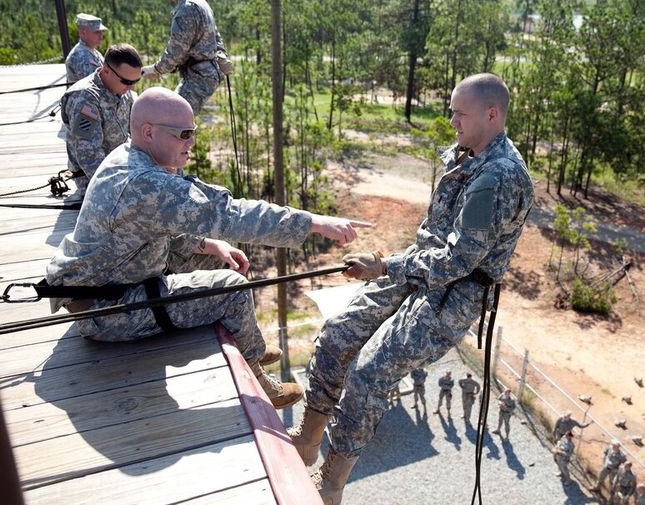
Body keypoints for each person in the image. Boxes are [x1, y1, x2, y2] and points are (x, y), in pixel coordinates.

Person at [288, 73, 534, 505]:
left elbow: (458, 260)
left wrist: (385, 265)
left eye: (460, 113)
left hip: (453, 294)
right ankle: (306, 442)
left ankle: (329, 486)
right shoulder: (466, 155)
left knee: (368, 374)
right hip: (419, 270)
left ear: (491, 114)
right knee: (339, 333)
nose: (451, 120)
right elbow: (433, 239)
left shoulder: (500, 177)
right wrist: (390, 266)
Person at [46, 87, 369, 411]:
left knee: (222, 262)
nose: (191, 142)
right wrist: (315, 223)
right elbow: (232, 213)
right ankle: (258, 377)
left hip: (110, 288)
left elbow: (150, 229)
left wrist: (208, 244)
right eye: (183, 134)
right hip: (109, 309)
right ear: (148, 132)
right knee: (233, 288)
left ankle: (249, 344)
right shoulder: (147, 183)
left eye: (193, 132)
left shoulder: (127, 158)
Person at [142, 0, 230, 114]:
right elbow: (215, 35)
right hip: (204, 73)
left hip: (200, 76)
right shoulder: (199, 0)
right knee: (178, 121)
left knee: (174, 118)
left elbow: (176, 51)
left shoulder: (187, 8)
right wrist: (221, 55)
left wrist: (157, 69)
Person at [61, 43, 142, 196]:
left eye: (135, 82)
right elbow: (88, 155)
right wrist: (117, 188)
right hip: (96, 177)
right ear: (106, 70)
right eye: (127, 81)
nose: (131, 88)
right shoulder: (85, 99)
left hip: (123, 166)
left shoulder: (123, 91)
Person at [65, 13, 106, 83]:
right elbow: (96, 83)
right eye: (97, 32)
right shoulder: (79, 55)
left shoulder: (93, 51)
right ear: (84, 32)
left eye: (101, 32)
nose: (101, 36)